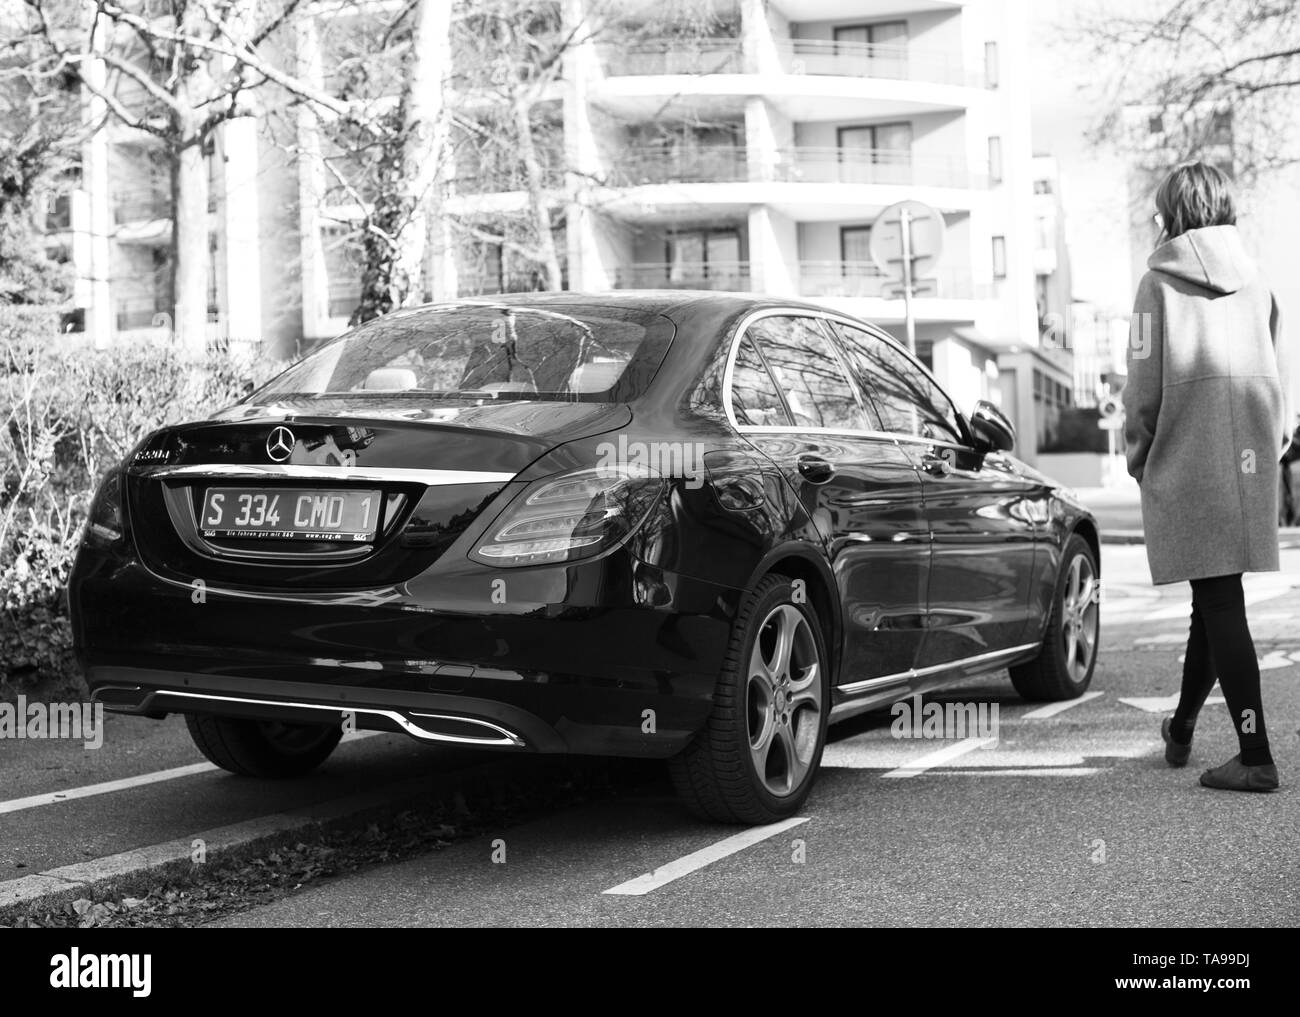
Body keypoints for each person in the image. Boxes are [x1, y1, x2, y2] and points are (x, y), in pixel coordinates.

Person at [1123, 161, 1293, 792]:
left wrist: (1142, 459)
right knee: (1213, 599)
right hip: (1247, 460)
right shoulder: (1260, 284)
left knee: (1220, 599)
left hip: (1188, 460)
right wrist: (1269, 448)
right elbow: (1279, 380)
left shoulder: (1155, 286)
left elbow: (1142, 384)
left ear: (1174, 211)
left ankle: (1255, 755)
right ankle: (1183, 727)